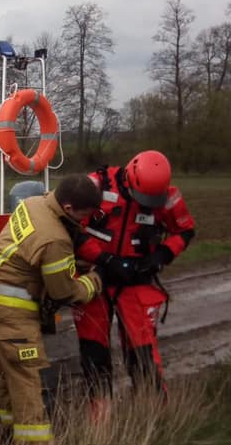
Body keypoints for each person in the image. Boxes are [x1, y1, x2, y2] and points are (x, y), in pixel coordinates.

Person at [0, 175, 104, 445]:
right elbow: (64, 292)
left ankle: (5, 439)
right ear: (68, 209)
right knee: (26, 382)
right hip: (14, 311)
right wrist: (93, 281)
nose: (86, 221)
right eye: (84, 215)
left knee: (4, 377)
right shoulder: (54, 240)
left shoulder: (35, 203)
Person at [73, 150, 195, 415]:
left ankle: (152, 413)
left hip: (136, 279)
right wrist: (105, 259)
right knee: (94, 352)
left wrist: (162, 255)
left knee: (143, 352)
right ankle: (100, 415)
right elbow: (71, 228)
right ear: (130, 178)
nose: (149, 203)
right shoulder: (94, 187)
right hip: (96, 277)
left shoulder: (167, 196)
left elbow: (185, 230)